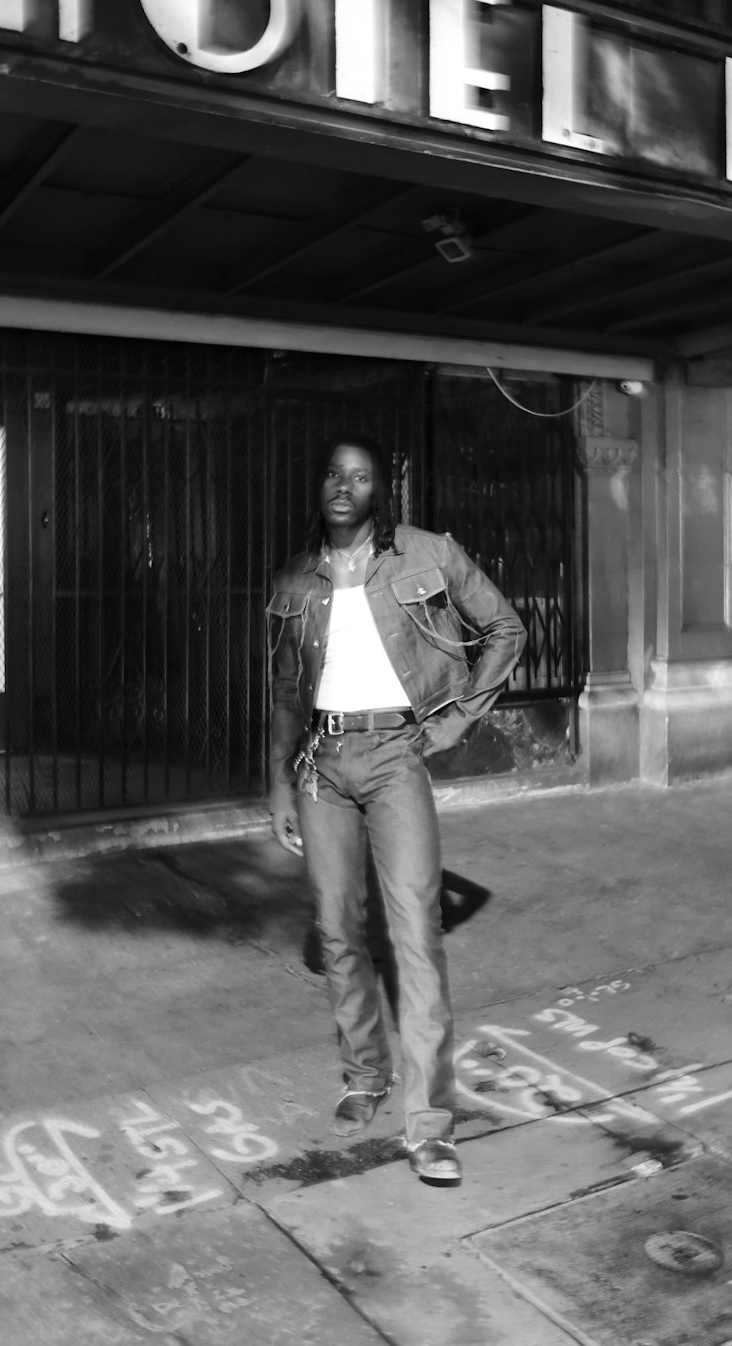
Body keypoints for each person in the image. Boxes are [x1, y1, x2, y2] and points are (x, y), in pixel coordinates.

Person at [267, 433, 526, 1187]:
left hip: (393, 758)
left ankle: (431, 1126)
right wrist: (279, 784)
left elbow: (505, 629)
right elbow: (285, 692)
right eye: (332, 472)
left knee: (416, 934)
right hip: (321, 765)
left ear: (381, 491)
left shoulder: (426, 555)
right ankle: (364, 1073)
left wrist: (452, 723)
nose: (343, 485)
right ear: (320, 488)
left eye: (359, 475)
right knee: (337, 928)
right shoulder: (295, 580)